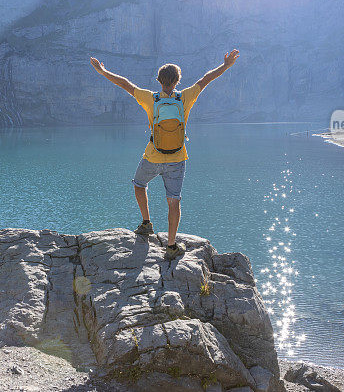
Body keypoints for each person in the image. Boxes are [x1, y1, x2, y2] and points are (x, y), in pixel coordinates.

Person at [89, 49, 240, 259]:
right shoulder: (185, 97)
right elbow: (206, 79)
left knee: (139, 184)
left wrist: (102, 70)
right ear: (178, 80)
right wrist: (226, 65)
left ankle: (146, 223)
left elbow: (125, 84)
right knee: (173, 201)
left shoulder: (150, 99)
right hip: (178, 158)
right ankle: (171, 246)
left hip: (153, 155)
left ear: (159, 80)